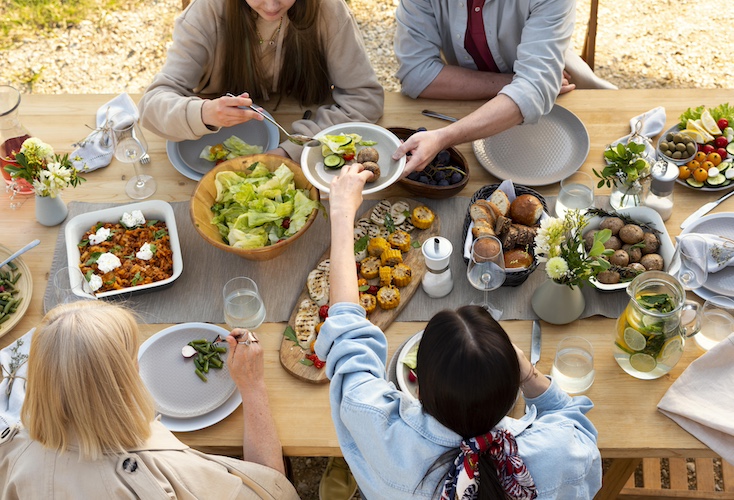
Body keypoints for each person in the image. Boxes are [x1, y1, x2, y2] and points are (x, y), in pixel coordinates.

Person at [315, 163, 603, 499]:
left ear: (418, 387)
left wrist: (340, 212)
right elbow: (573, 420)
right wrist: (529, 374)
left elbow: (346, 327)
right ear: (513, 397)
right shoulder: (562, 453)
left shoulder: (374, 422)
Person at [0, 301, 299, 499]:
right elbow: (273, 491)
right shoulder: (159, 472)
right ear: (121, 378)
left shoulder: (13, 454)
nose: (138, 365)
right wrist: (253, 385)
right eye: (132, 358)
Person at [138, 0, 384, 160]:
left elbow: (365, 99)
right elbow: (151, 106)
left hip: (303, 129)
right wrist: (204, 112)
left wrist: (294, 150)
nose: (271, 4)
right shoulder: (207, 10)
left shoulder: (329, 9)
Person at [391, 0, 616, 173]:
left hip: (559, 97)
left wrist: (443, 137)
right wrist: (518, 82)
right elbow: (416, 74)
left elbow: (533, 92)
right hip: (475, 97)